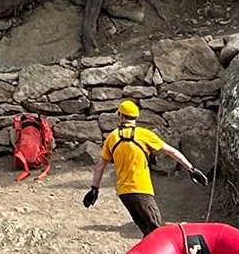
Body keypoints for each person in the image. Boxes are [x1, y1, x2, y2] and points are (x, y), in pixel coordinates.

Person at [85, 100, 207, 236]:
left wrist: (94, 189)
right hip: (141, 189)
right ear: (136, 117)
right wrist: (191, 169)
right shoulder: (143, 134)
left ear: (120, 116)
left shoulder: (112, 137)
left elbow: (100, 166)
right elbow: (171, 151)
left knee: (148, 232)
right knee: (156, 232)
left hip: (124, 193)